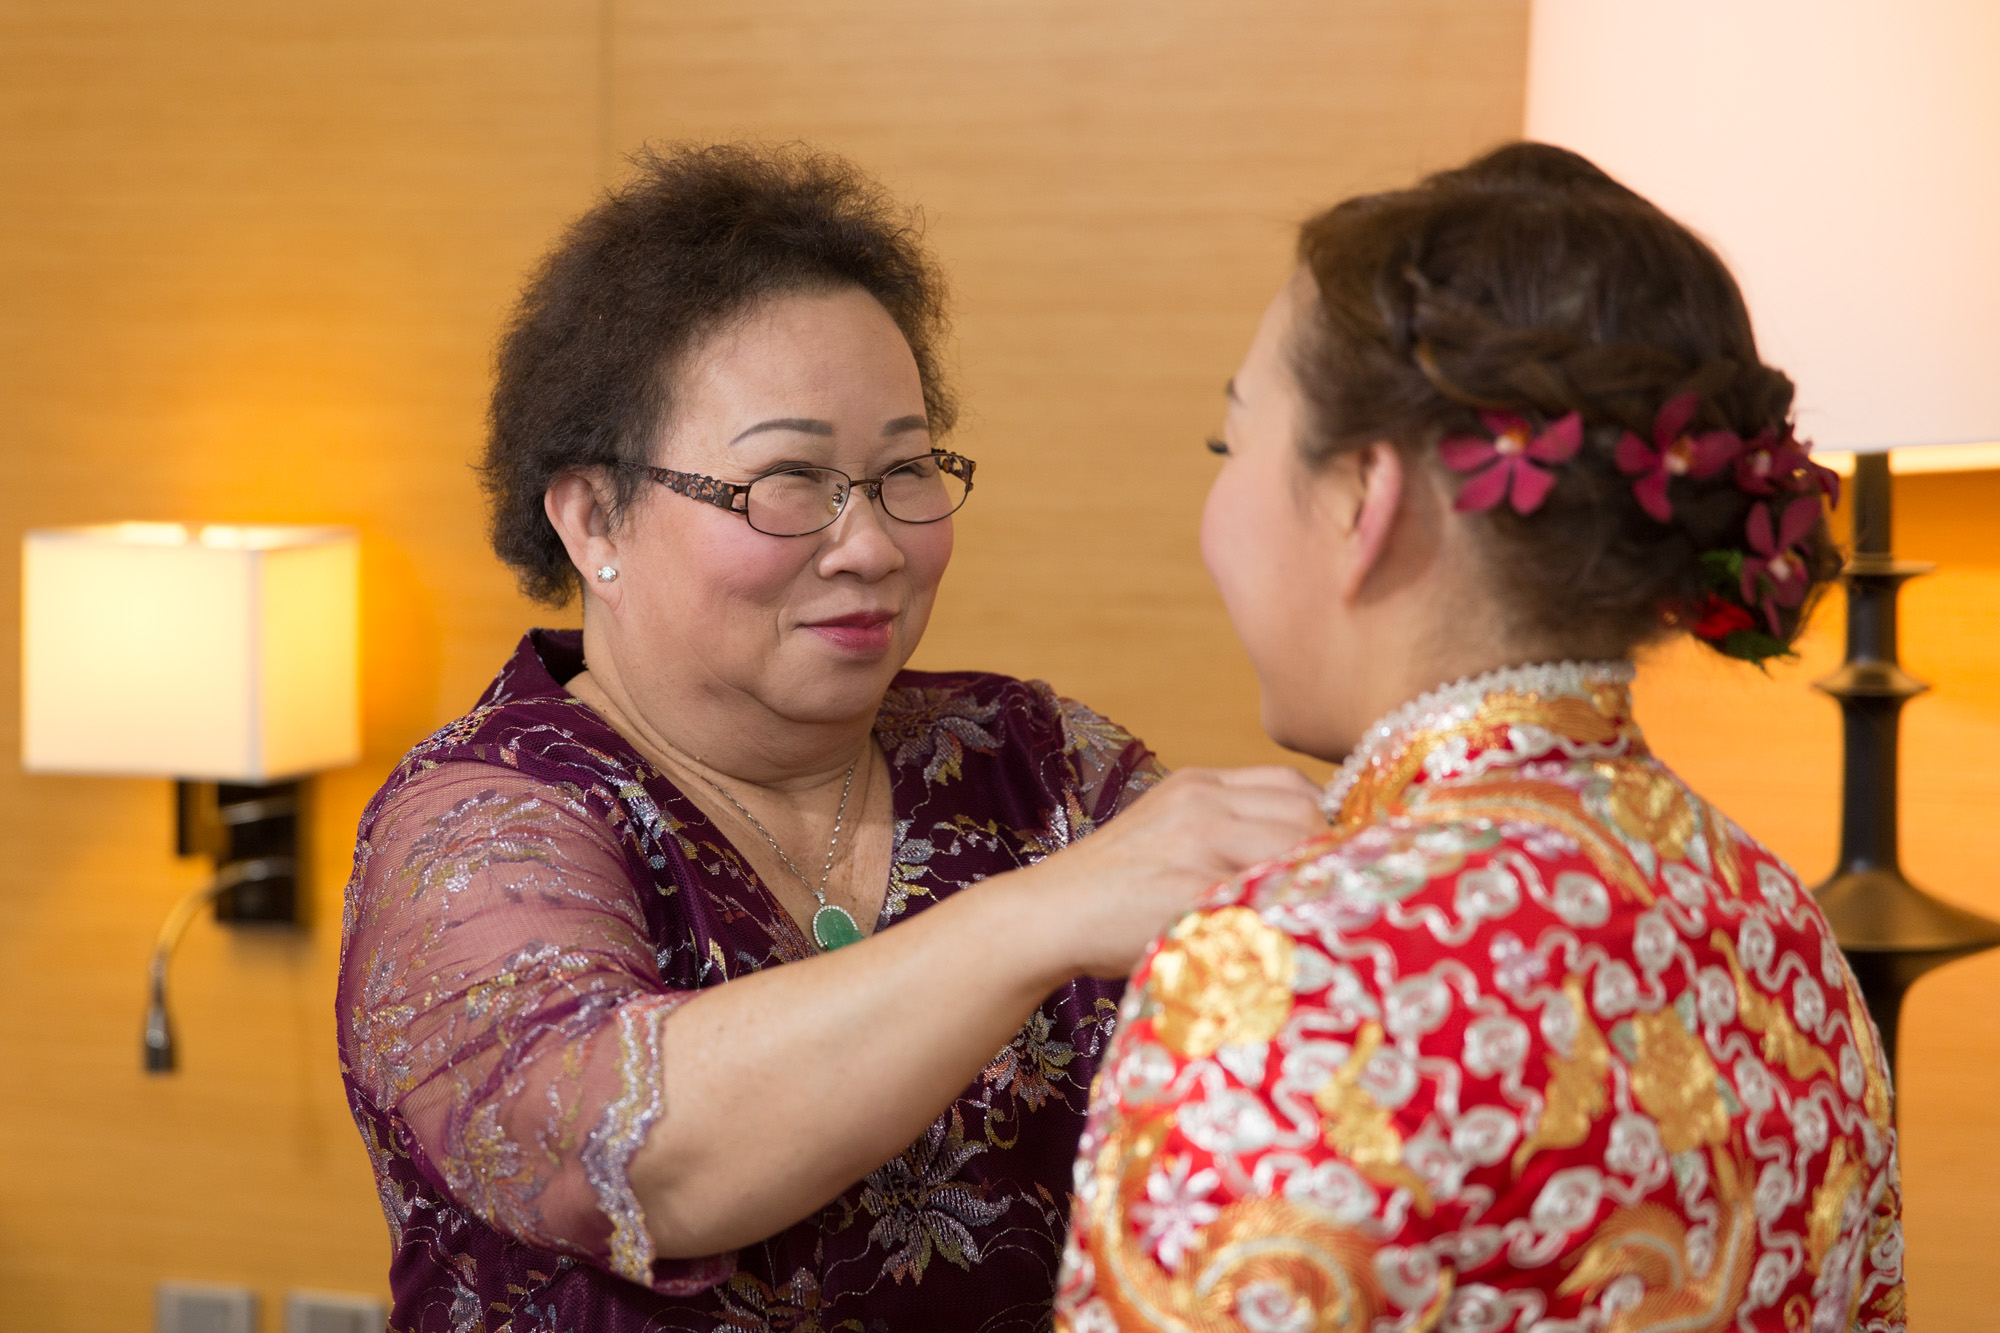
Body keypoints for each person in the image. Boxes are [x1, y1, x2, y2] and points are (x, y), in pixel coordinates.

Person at [335, 144, 1326, 1332]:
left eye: (904, 470)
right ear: (593, 518)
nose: (869, 545)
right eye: (787, 481)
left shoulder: (1032, 757)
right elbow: (631, 1158)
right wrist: (1032, 918)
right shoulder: (475, 826)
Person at [1054, 143, 1905, 1332]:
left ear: (1361, 495)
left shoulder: (1288, 969)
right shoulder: (1779, 927)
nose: (1216, 500)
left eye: (1227, 443)